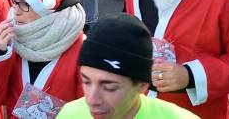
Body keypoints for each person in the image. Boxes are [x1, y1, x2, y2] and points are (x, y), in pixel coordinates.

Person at [57, 13, 197, 118]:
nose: (92, 99)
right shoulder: (69, 114)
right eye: (86, 81)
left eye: (109, 87)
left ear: (142, 85)